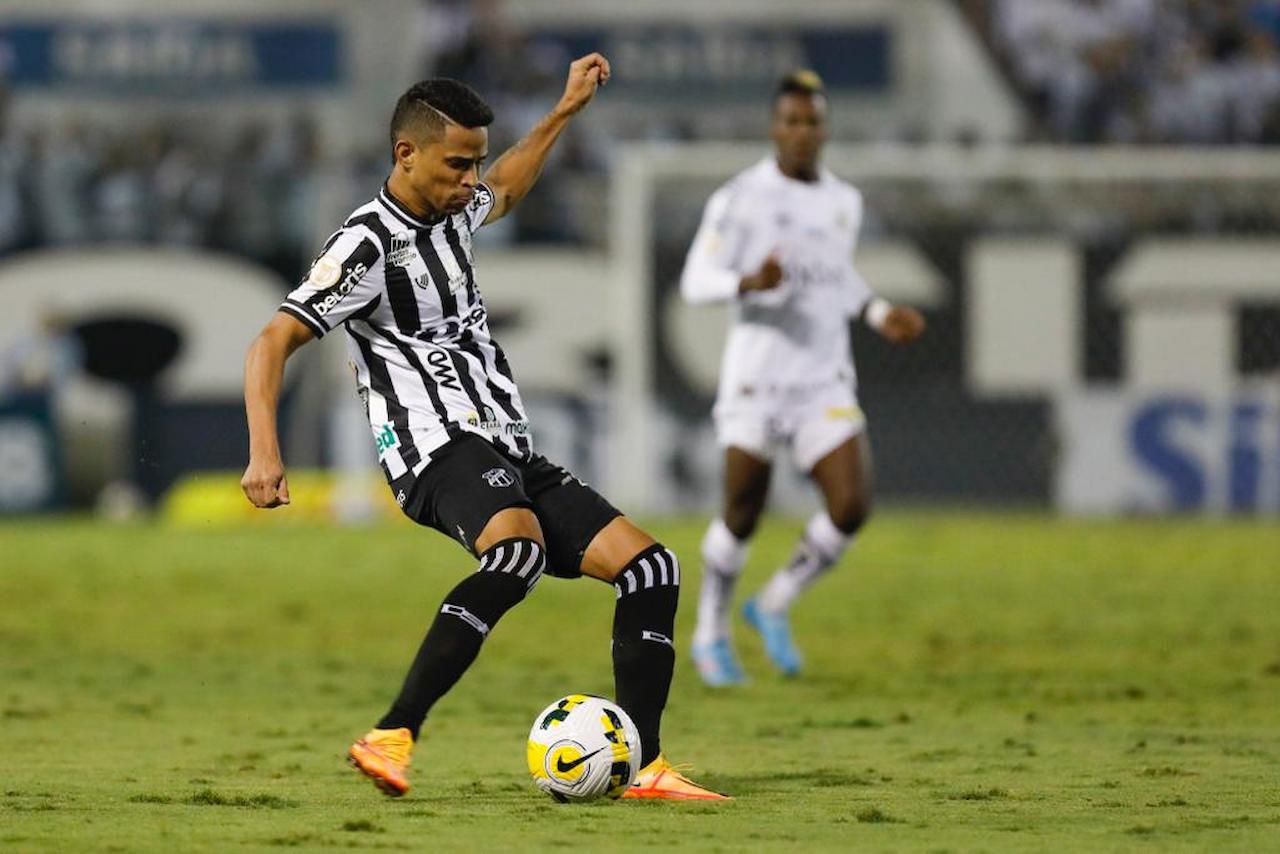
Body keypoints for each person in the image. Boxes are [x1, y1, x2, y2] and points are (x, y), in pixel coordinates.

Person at [241, 54, 724, 801]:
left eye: (474, 163)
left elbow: (508, 184)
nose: (471, 180)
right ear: (406, 153)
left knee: (651, 569)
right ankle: (393, 731)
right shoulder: (365, 245)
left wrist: (564, 111)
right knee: (518, 554)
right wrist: (265, 453)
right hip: (433, 450)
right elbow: (272, 339)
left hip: (503, 443)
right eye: (456, 164)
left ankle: (643, 764)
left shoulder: (455, 209)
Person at [680, 70, 925, 686]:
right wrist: (747, 283)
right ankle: (710, 633)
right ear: (773, 128)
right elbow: (694, 282)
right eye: (791, 121)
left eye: (812, 121)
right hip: (758, 378)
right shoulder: (740, 198)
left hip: (823, 378)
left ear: (825, 128)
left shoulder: (844, 201)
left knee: (851, 505)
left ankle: (773, 602)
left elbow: (834, 277)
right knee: (742, 512)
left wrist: (876, 311)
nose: (801, 132)